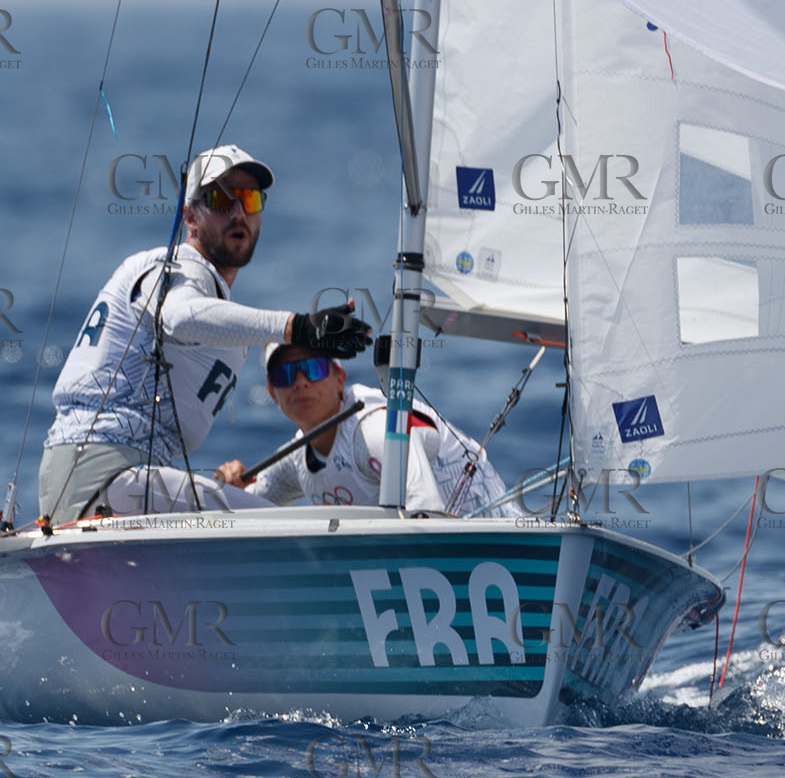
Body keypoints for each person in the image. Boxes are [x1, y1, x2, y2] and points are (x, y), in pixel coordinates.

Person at [37, 145, 371, 522]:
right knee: (282, 528)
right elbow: (179, 317)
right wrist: (298, 328)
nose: (238, 212)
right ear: (190, 217)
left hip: (86, 483)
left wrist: (219, 487)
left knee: (247, 508)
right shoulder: (179, 269)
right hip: (106, 474)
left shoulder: (217, 305)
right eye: (220, 199)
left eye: (249, 199)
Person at [216, 343, 525, 517]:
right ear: (272, 393)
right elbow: (245, 508)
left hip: (506, 548)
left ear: (339, 378)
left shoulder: (375, 432)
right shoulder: (296, 459)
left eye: (313, 368)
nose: (300, 382)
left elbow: (427, 515)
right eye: (285, 375)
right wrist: (232, 488)